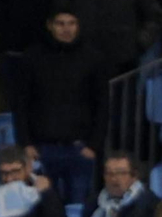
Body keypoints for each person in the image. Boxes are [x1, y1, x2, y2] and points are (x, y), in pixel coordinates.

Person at [11, 10, 106, 202]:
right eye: (61, 23)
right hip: (42, 149)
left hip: (79, 149)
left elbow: (102, 105)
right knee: (42, 208)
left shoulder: (93, 58)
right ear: (50, 25)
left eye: (71, 23)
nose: (66, 29)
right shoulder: (32, 57)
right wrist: (26, 143)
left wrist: (94, 145)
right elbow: (20, 104)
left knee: (79, 209)